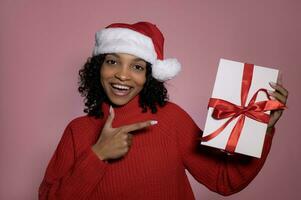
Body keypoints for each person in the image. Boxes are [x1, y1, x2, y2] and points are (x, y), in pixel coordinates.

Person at [38, 22, 288, 200]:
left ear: (149, 76)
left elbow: (224, 179)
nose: (122, 74)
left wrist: (261, 130)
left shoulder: (172, 120)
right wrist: (97, 155)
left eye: (137, 66)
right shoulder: (78, 131)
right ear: (98, 68)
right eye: (112, 61)